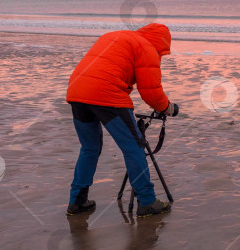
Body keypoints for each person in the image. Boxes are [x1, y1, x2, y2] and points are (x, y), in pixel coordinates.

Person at [65, 22, 177, 218]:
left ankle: (77, 201)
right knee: (134, 147)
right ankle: (147, 202)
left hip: (76, 91)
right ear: (161, 44)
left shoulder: (117, 37)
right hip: (107, 94)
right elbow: (150, 91)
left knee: (89, 148)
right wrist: (167, 108)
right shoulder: (147, 47)